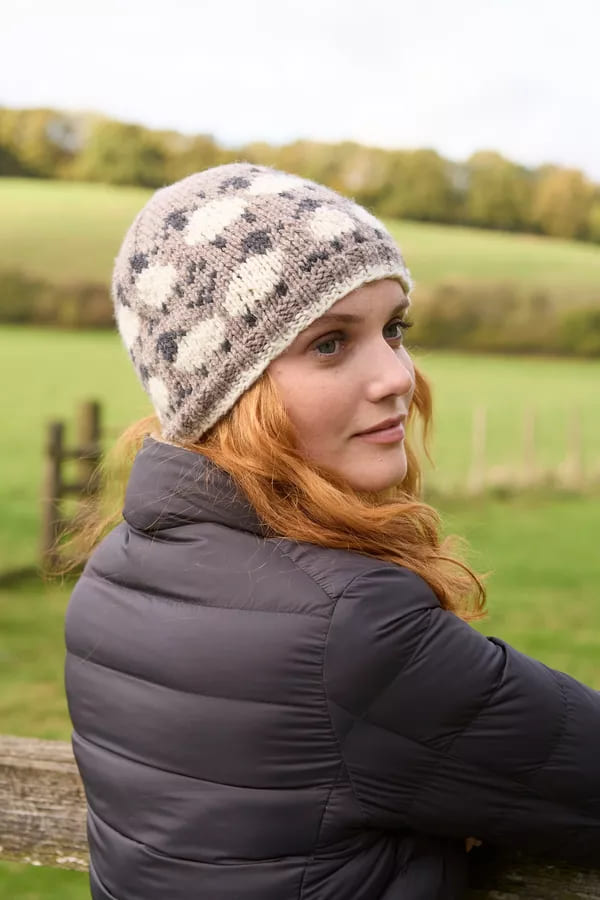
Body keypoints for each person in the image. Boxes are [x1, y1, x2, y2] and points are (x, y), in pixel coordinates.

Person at [63, 162, 600, 900]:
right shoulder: (352, 627)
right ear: (227, 392)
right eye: (329, 343)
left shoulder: (113, 575)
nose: (397, 377)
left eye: (394, 329)